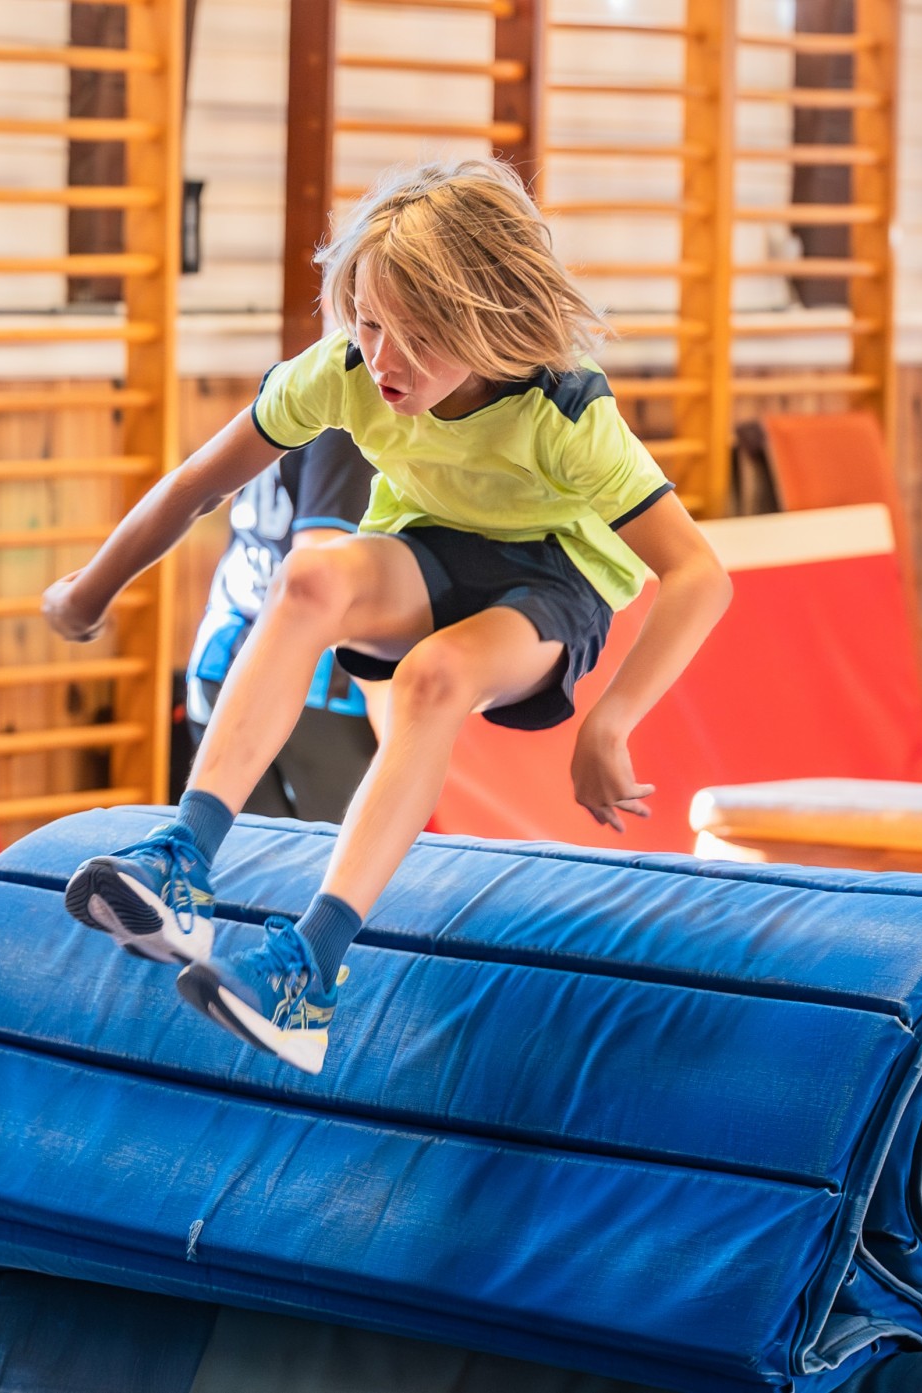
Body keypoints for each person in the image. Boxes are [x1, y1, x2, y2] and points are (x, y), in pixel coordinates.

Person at [41, 157, 732, 1074]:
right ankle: (183, 857)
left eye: (416, 336)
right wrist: (92, 587)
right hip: (429, 546)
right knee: (312, 578)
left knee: (433, 677)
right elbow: (199, 483)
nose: (384, 357)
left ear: (486, 326)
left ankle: (310, 971)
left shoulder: (563, 415)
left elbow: (697, 574)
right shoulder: (345, 371)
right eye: (368, 323)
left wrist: (612, 720)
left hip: (552, 581)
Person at [184, 429, 378, 822]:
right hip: (310, 682)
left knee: (242, 863)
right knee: (330, 864)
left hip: (224, 654)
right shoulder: (351, 418)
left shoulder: (284, 394)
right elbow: (317, 573)